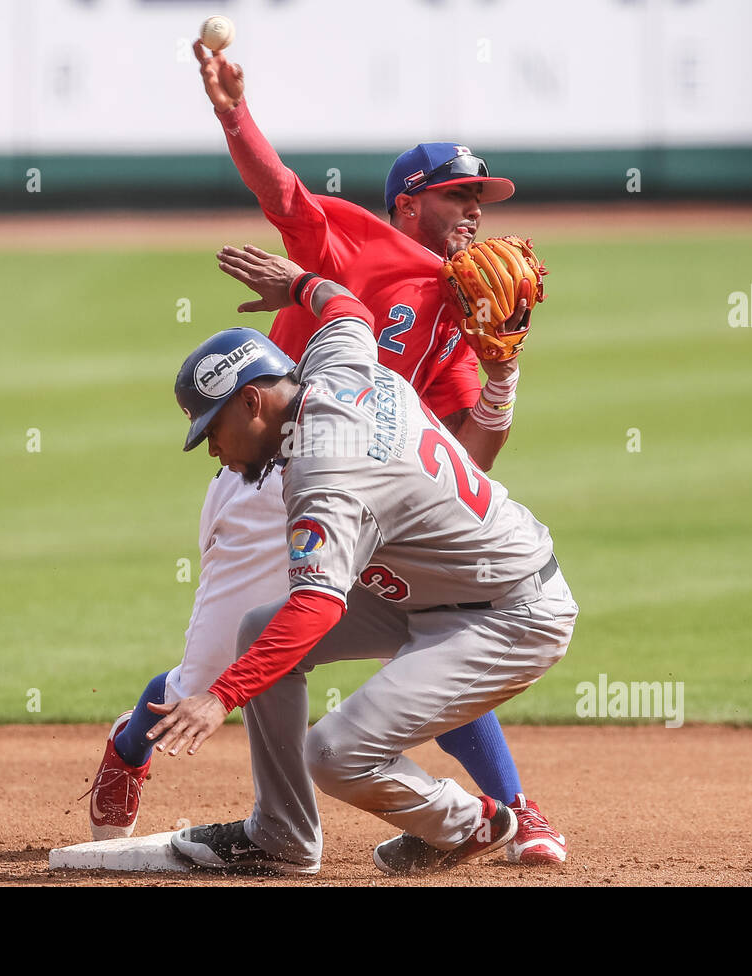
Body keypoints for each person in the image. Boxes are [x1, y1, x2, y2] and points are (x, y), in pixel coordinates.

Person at [85, 40, 566, 866]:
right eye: (459, 196)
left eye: (483, 198)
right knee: (216, 670)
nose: (476, 212)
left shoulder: (462, 313)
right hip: (263, 481)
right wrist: (235, 114)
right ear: (409, 206)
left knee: (438, 619)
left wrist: (502, 373)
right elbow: (284, 196)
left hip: (359, 488)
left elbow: (465, 461)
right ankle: (130, 749)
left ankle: (506, 807)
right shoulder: (359, 244)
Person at [150, 245, 578, 875]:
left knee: (335, 752)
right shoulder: (335, 364)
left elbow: (316, 608)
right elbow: (346, 308)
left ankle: (469, 823)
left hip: (510, 617)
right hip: (433, 590)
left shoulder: (324, 475)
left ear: (251, 403)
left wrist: (220, 696)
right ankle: (282, 835)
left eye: (212, 429)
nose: (214, 450)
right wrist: (298, 283)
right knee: (255, 631)